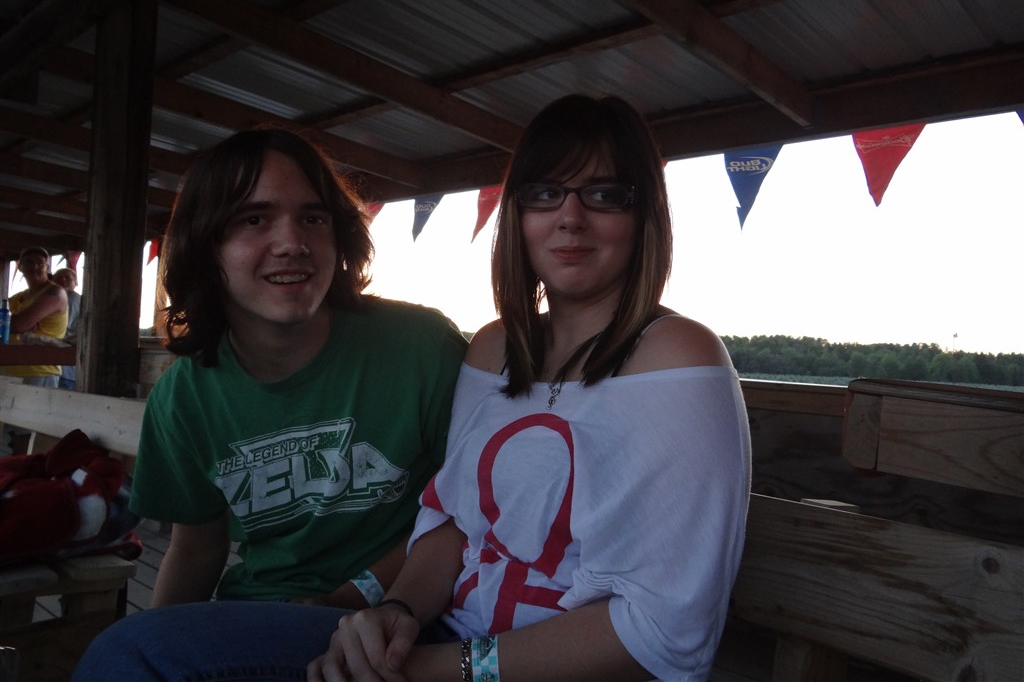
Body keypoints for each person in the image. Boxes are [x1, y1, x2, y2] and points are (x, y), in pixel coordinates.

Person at [73, 96, 750, 682]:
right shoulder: (495, 349)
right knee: (135, 654)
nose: (570, 216)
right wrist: (394, 610)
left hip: (479, 662)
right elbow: (452, 520)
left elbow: (667, 631)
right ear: (516, 214)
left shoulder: (677, 355)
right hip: (429, 638)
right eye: (544, 193)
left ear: (644, 214)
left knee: (134, 656)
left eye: (605, 194)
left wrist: (426, 664)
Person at [85, 128, 466, 612]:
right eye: (254, 219)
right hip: (261, 608)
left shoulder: (421, 347)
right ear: (206, 246)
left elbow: (470, 507)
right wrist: (156, 636)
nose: (292, 243)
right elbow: (197, 548)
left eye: (313, 218)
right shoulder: (183, 397)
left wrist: (351, 597)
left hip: (413, 609)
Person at [0, 246, 68, 387]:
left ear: (47, 267)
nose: (35, 266)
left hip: (40, 370)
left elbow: (19, 325)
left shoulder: (56, 292)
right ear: (20, 267)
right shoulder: (17, 298)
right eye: (29, 262)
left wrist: (11, 323)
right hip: (10, 367)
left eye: (40, 263)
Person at [52, 267, 81, 390]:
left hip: (65, 363)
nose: (63, 280)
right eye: (59, 278)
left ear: (76, 282)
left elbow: (64, 328)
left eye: (68, 278)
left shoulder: (72, 298)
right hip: (67, 367)